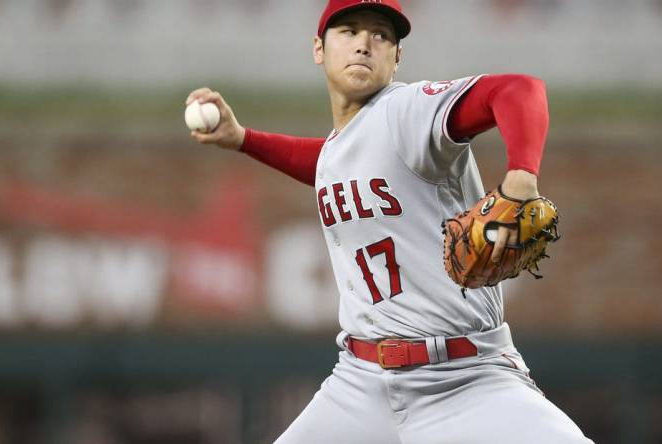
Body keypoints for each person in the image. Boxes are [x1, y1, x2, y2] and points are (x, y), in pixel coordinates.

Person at [186, 1, 593, 442]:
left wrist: (521, 175)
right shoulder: (346, 144)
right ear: (319, 48)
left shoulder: (406, 112)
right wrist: (244, 139)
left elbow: (519, 89)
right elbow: (329, 162)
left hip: (465, 379)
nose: (364, 43)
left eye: (381, 35)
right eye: (350, 31)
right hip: (360, 384)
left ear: (397, 58)